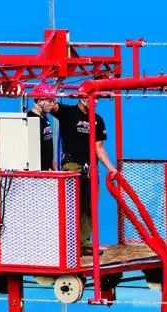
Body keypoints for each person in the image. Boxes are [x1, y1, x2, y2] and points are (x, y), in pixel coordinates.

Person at [40, 86, 117, 256]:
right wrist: (53, 87)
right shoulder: (68, 112)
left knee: (88, 206)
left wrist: (111, 169)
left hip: (91, 168)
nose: (95, 102)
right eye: (92, 98)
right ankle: (67, 242)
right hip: (73, 166)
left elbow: (99, 148)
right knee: (71, 205)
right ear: (82, 97)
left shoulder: (98, 120)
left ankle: (83, 242)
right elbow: (49, 104)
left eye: (97, 99)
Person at [28, 83, 58, 171]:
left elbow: (48, 148)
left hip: (47, 170)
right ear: (40, 101)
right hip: (37, 173)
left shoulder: (44, 118)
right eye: (50, 101)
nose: (52, 104)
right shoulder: (31, 119)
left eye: (53, 101)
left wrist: (56, 170)